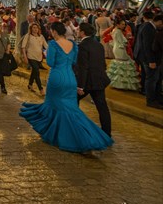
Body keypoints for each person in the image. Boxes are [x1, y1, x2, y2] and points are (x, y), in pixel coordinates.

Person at [19, 22, 114, 154]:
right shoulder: (74, 45)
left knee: (52, 106)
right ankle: (87, 135)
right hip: (70, 78)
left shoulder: (53, 44)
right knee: (72, 109)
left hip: (57, 77)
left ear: (54, 32)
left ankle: (57, 134)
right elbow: (75, 62)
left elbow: (51, 62)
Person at [75, 23, 112, 137]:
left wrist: (80, 86)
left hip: (87, 82)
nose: (77, 31)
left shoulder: (82, 46)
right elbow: (102, 64)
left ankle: (75, 127)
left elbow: (83, 67)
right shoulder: (98, 45)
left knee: (72, 101)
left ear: (82, 32)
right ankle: (107, 133)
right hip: (99, 80)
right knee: (102, 108)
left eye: (78, 30)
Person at [134, 11, 163, 109]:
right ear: (157, 21)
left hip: (149, 58)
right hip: (149, 59)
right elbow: (147, 46)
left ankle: (156, 98)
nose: (161, 26)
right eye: (161, 23)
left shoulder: (146, 26)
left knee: (155, 79)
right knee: (151, 79)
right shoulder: (148, 28)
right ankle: (151, 100)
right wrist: (151, 61)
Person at [108, 18, 140, 91]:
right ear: (117, 24)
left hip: (116, 48)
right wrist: (128, 39)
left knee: (119, 65)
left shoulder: (114, 30)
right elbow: (123, 42)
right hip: (120, 49)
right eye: (122, 24)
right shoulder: (118, 31)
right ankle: (123, 84)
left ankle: (119, 83)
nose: (124, 25)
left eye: (124, 24)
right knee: (124, 65)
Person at [21, 22, 48, 96]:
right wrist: (25, 57)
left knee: (34, 71)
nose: (35, 29)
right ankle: (41, 89)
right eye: (34, 28)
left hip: (39, 57)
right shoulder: (28, 36)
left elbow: (46, 46)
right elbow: (23, 47)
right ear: (31, 29)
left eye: (36, 28)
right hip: (30, 56)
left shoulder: (41, 36)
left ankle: (30, 84)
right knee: (36, 71)